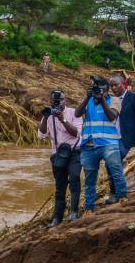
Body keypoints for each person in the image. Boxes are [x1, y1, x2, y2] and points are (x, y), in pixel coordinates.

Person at [75, 78, 127, 212]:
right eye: (97, 90)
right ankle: (89, 208)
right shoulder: (89, 101)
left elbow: (112, 116)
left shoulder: (114, 100)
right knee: (89, 179)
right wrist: (87, 98)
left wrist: (102, 100)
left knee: (116, 171)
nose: (99, 93)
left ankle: (123, 197)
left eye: (102, 90)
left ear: (107, 91)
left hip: (108, 143)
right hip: (89, 145)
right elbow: (77, 113)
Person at [38, 91, 82, 226]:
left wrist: (62, 119)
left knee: (74, 178)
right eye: (54, 101)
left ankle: (74, 212)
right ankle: (57, 217)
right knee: (60, 186)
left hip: (74, 151)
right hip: (57, 155)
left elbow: (76, 133)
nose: (57, 103)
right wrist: (46, 117)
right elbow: (41, 135)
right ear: (51, 101)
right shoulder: (48, 115)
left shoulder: (74, 113)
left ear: (65, 100)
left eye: (60, 100)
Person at [109, 74, 135, 203]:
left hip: (126, 137)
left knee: (114, 160)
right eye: (111, 86)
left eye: (116, 85)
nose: (113, 88)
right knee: (111, 163)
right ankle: (114, 191)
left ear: (123, 84)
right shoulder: (110, 100)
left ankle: (117, 193)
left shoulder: (134, 98)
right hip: (111, 137)